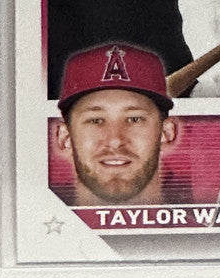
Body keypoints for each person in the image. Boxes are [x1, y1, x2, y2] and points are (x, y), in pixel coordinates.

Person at [55, 43, 176, 206]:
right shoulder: (30, 221)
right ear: (65, 136)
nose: (115, 141)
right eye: (95, 120)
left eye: (134, 119)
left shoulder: (201, 225)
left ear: (166, 132)